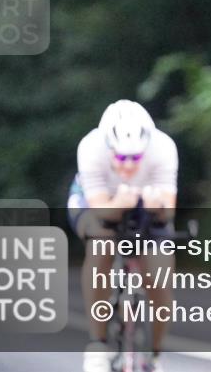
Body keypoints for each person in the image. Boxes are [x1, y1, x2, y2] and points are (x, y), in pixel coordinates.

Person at [68, 100, 178, 372]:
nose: (128, 166)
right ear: (109, 149)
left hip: (144, 203)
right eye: (120, 158)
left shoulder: (163, 147)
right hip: (98, 201)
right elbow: (99, 207)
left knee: (160, 274)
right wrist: (119, 203)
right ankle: (98, 344)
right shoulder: (91, 147)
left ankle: (154, 354)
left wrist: (157, 207)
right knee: (101, 242)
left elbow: (168, 211)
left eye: (136, 159)